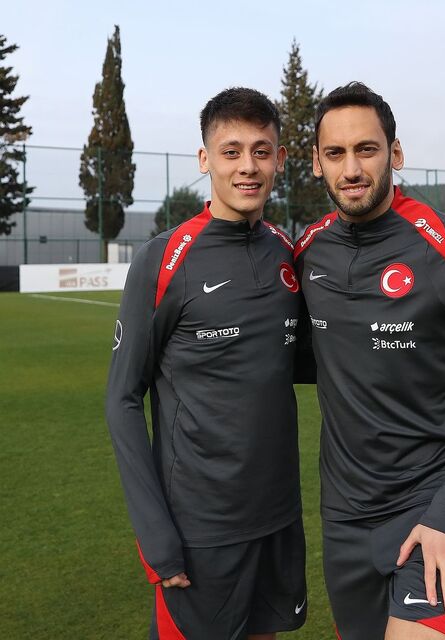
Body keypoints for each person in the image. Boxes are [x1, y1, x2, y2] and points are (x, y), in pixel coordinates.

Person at [294, 82, 445, 640]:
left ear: (395, 153)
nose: (351, 169)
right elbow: (297, 358)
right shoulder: (310, 250)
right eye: (335, 153)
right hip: (346, 519)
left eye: (367, 149)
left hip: (437, 505)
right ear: (316, 162)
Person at [106, 87, 307, 640]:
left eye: (261, 151)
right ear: (205, 159)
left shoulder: (286, 252)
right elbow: (122, 398)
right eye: (231, 151)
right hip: (200, 529)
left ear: (280, 159)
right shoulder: (164, 259)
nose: (248, 166)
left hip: (278, 517)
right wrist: (154, 531)